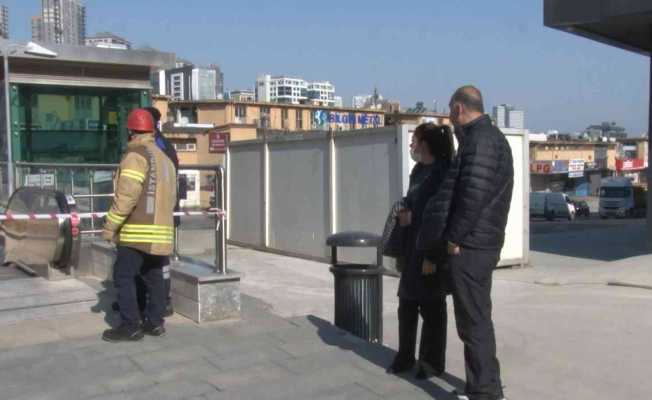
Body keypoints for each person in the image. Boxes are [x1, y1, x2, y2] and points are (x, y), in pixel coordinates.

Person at [440, 86, 513, 400]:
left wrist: (454, 237)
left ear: (458, 109)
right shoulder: (490, 138)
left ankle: (484, 392)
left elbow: (472, 195)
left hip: (472, 246)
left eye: (450, 112)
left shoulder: (480, 141)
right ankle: (488, 386)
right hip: (483, 242)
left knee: (473, 322)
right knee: (478, 317)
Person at [102, 108, 177, 342]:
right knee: (154, 279)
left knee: (123, 276)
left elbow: (126, 197)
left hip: (137, 232)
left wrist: (110, 226)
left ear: (131, 131)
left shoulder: (136, 155)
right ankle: (154, 323)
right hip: (161, 233)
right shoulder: (164, 158)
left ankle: (130, 326)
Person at [386, 123, 454, 379]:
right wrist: (405, 212)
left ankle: (431, 362)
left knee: (432, 309)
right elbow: (415, 203)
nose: (411, 146)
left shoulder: (442, 173)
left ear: (424, 144)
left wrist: (432, 256)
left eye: (414, 141)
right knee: (407, 304)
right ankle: (405, 356)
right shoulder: (419, 171)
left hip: (430, 250)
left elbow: (440, 216)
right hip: (411, 247)